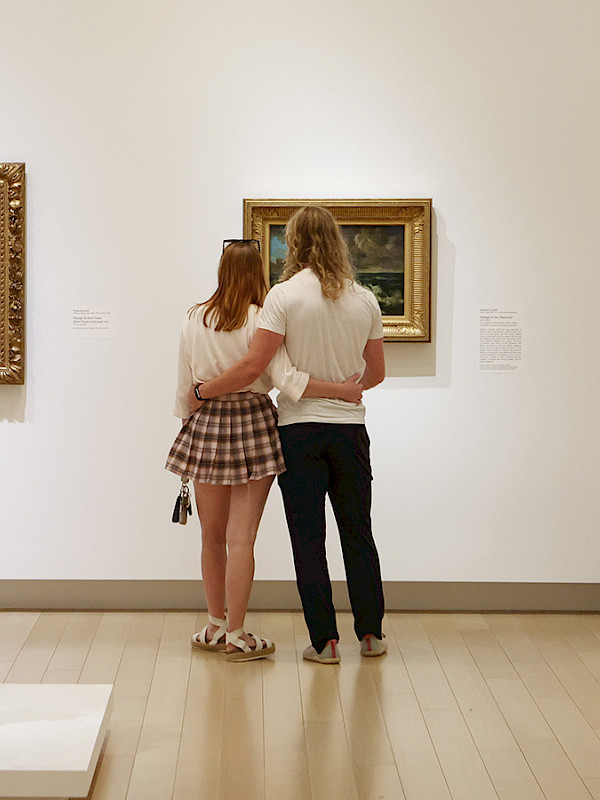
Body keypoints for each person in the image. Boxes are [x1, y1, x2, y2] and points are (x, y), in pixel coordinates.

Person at [186, 209, 386, 664]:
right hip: (350, 431)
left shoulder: (283, 297)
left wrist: (199, 395)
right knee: (358, 532)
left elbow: (269, 369)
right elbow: (376, 373)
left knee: (308, 537)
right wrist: (346, 389)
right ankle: (371, 635)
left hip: (298, 429)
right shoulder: (365, 299)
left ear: (294, 242)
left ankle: (325, 642)